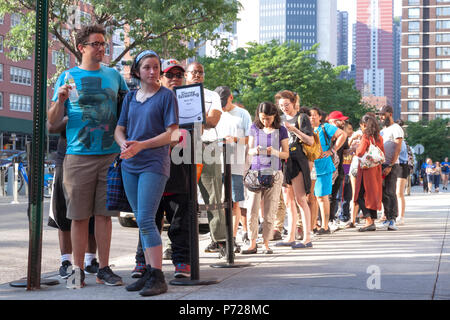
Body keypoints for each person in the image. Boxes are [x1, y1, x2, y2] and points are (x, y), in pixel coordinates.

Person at [47, 24, 128, 288]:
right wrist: (60, 101)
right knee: (79, 217)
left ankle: (103, 268)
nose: (101, 48)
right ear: (81, 48)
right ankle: (77, 270)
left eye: (103, 44)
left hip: (109, 156)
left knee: (104, 216)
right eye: (95, 44)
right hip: (78, 156)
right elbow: (51, 123)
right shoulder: (67, 77)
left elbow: (127, 111)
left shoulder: (115, 77)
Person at [115, 50, 179, 296]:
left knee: (146, 219)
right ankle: (150, 274)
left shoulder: (166, 97)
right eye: (147, 68)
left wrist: (141, 144)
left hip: (154, 163)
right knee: (142, 220)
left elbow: (172, 134)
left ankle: (157, 276)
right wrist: (123, 143)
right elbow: (120, 129)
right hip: (129, 164)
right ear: (137, 72)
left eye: (156, 67)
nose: (152, 72)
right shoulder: (131, 98)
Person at [185, 62, 227, 257]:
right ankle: (176, 243)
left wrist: (190, 115)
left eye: (200, 72)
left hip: (207, 146)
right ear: (186, 74)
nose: (197, 75)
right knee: (181, 197)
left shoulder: (212, 96)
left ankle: (221, 241)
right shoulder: (177, 93)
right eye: (193, 72)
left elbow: (213, 121)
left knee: (213, 196)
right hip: (183, 146)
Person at [46, 119, 98, 279]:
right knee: (63, 212)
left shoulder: (100, 95)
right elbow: (51, 126)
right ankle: (66, 262)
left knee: (94, 213)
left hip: (94, 155)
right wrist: (74, 116)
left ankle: (90, 260)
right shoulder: (66, 96)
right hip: (66, 157)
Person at [241, 102, 289, 254]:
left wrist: (274, 152)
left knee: (270, 210)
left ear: (274, 116)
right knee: (252, 209)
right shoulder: (254, 128)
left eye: (268, 118)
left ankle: (266, 243)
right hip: (256, 172)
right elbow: (249, 150)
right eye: (262, 118)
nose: (265, 121)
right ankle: (252, 242)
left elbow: (286, 154)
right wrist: (255, 150)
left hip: (274, 173)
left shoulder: (281, 130)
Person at [214, 86, 252, 253]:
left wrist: (236, 139)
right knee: (217, 202)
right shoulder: (215, 113)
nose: (221, 106)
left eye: (224, 102)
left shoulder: (243, 114)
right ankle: (219, 238)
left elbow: (251, 139)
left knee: (233, 201)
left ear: (230, 98)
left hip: (235, 165)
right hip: (216, 162)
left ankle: (232, 237)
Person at [276, 90, 314, 248]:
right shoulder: (280, 119)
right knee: (288, 200)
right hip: (285, 161)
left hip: (298, 161)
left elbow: (310, 141)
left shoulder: (301, 117)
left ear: (293, 103)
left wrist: (294, 130)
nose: (284, 108)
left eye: (286, 104)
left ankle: (307, 238)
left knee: (300, 199)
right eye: (281, 106)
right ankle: (290, 236)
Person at [309, 108, 347, 235]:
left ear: (320, 117)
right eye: (309, 116)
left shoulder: (325, 127)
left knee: (322, 197)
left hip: (324, 166)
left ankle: (325, 226)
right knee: (312, 198)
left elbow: (343, 134)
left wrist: (332, 150)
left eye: (314, 115)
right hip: (310, 167)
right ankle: (313, 225)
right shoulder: (306, 130)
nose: (311, 118)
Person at [353, 115, 384, 232]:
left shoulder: (365, 136)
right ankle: (372, 221)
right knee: (372, 194)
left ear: (364, 125)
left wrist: (356, 148)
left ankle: (368, 220)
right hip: (376, 169)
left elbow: (360, 152)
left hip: (366, 170)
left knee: (360, 194)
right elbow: (383, 153)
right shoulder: (379, 137)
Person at [378, 105, 404, 231]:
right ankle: (387, 217)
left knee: (390, 192)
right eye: (380, 115)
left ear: (390, 114)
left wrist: (390, 165)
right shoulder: (383, 130)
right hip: (381, 164)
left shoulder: (396, 128)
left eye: (383, 114)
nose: (381, 117)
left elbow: (397, 148)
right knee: (383, 193)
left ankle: (393, 219)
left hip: (392, 165)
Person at [326, 111, 350, 225]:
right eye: (341, 120)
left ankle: (331, 219)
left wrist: (353, 149)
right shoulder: (324, 133)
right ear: (333, 122)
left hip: (339, 169)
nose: (343, 122)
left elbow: (345, 152)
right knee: (326, 196)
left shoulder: (343, 136)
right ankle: (324, 220)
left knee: (334, 196)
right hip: (326, 168)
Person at [395, 120, 409, 226]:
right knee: (393, 193)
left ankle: (401, 216)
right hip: (396, 166)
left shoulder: (402, 142)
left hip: (401, 166)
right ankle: (393, 214)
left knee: (399, 193)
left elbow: (398, 152)